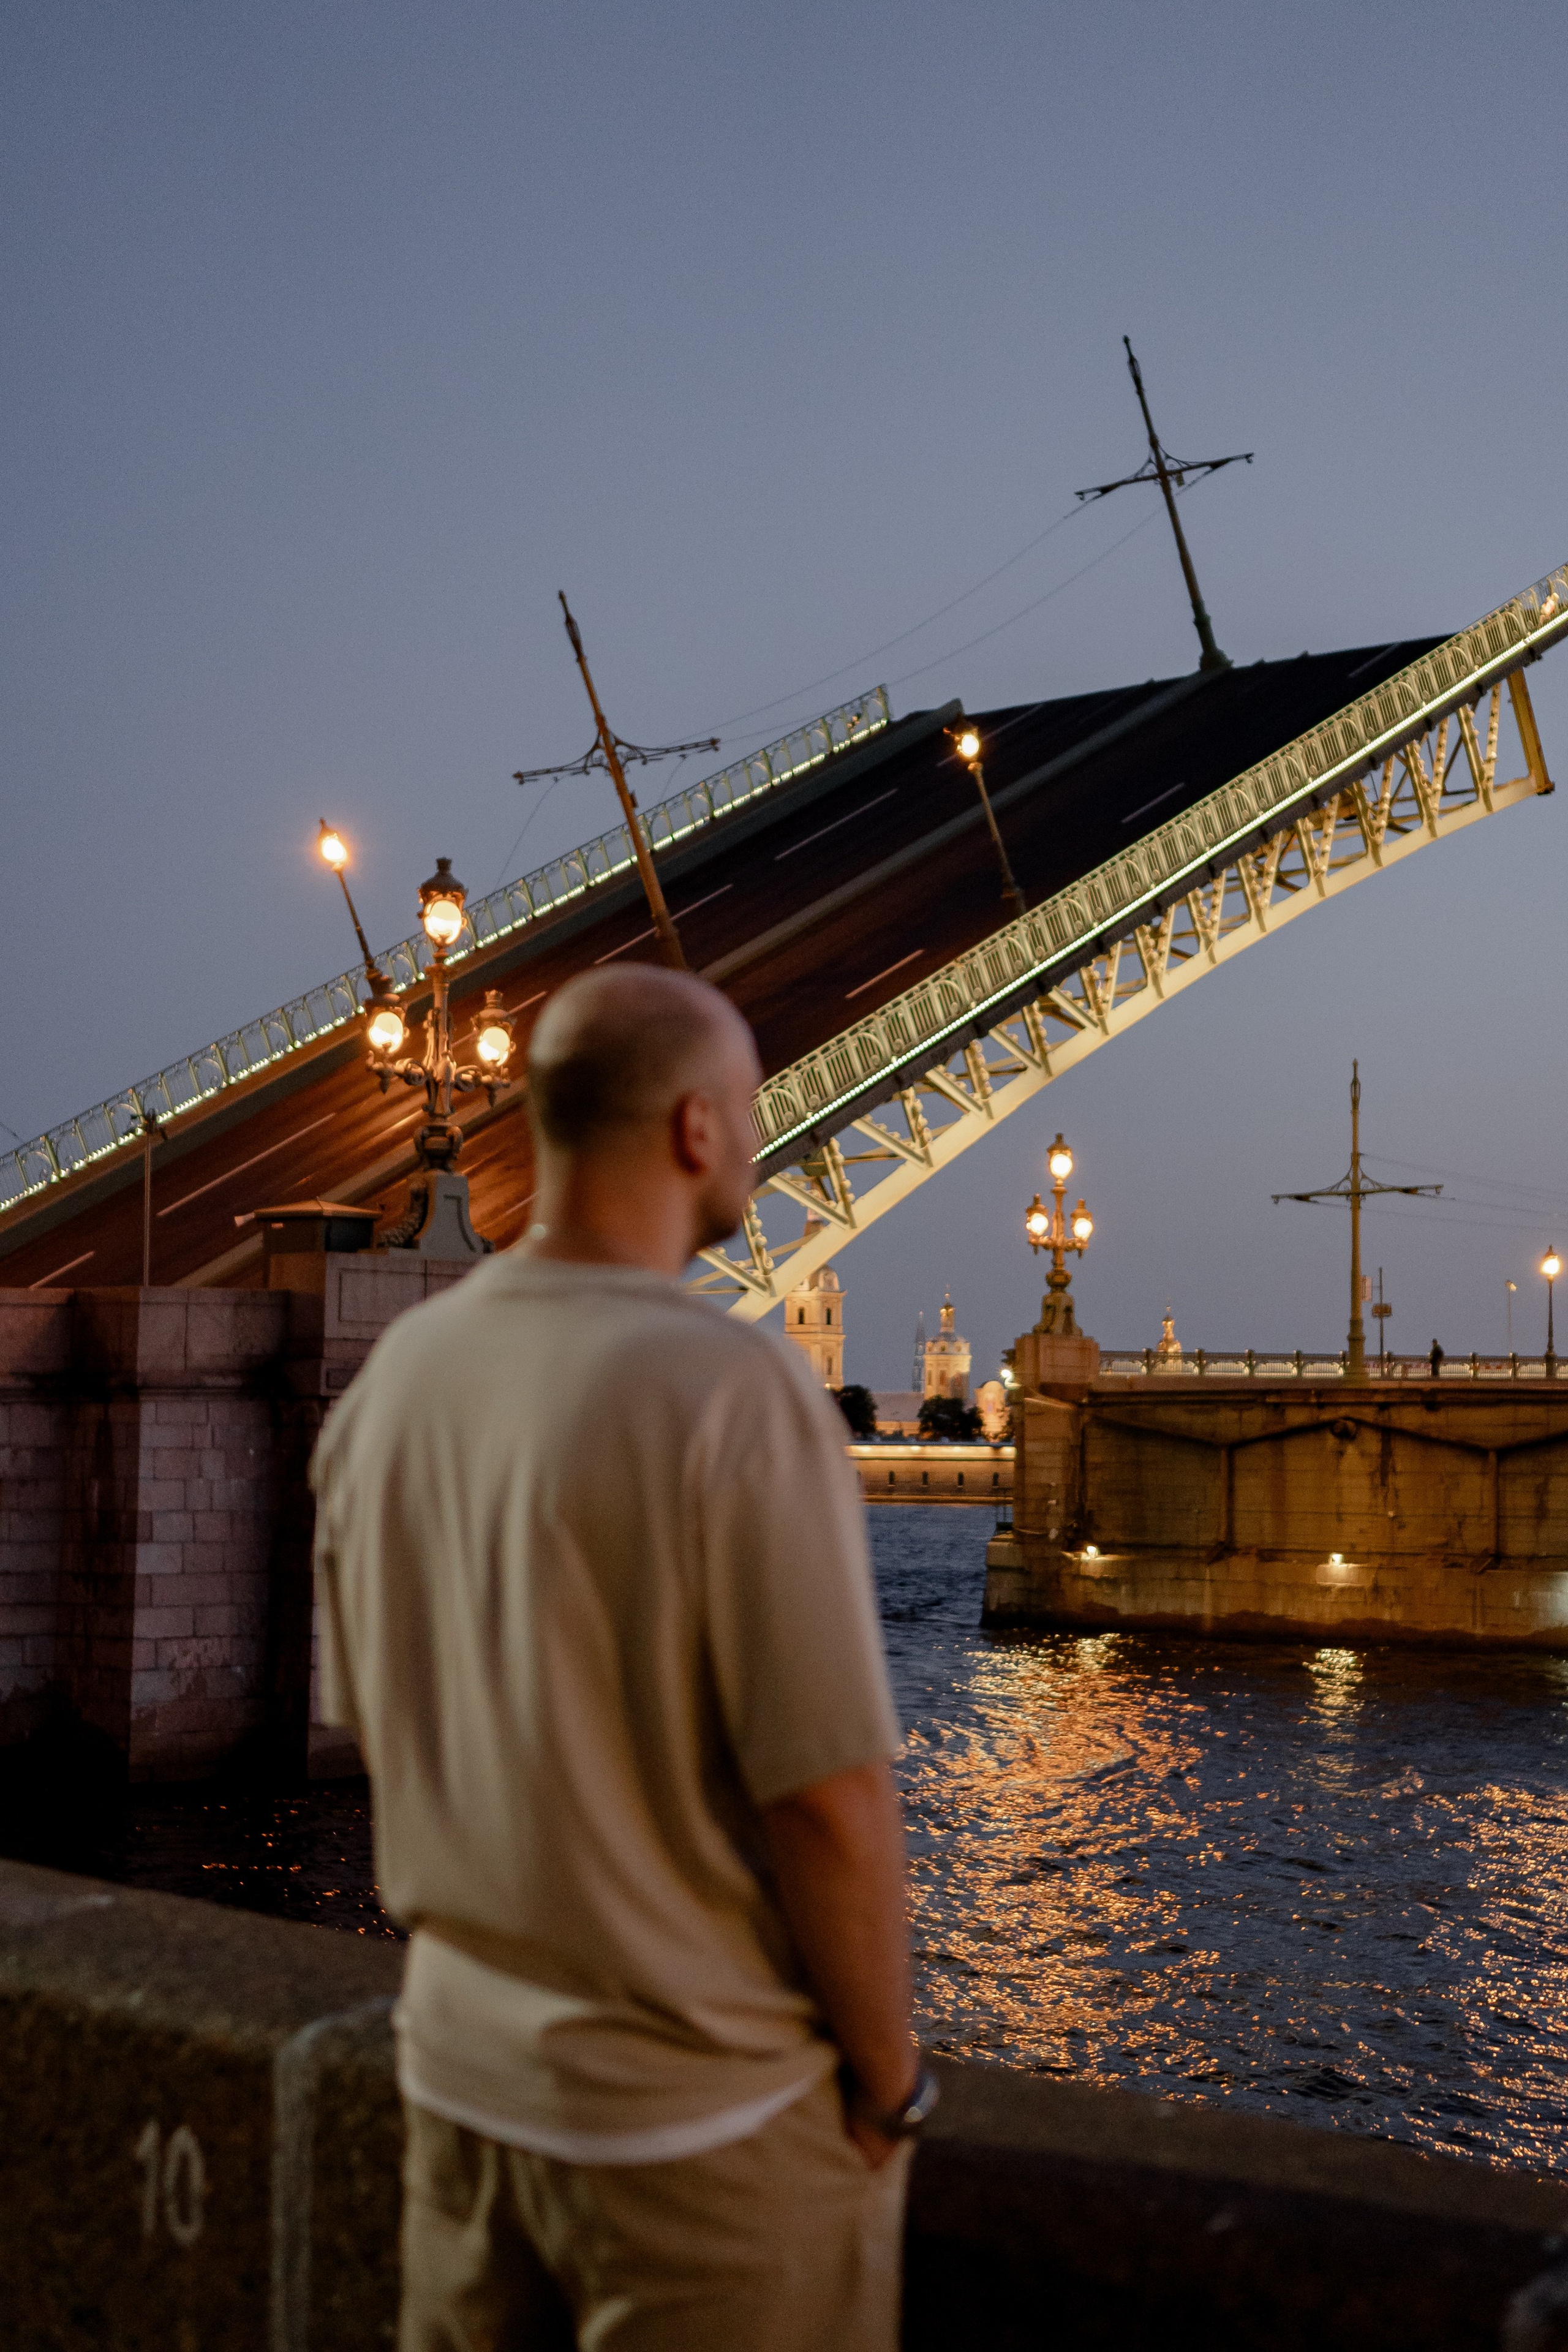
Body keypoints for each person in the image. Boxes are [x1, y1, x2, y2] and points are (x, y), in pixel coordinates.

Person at [311, 966, 932, 2352]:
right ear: (697, 1131)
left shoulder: (395, 1383)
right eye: (751, 1113)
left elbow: (384, 1723)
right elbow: (828, 1802)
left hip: (462, 2100)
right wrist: (888, 2087)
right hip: (694, 2132)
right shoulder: (730, 1390)